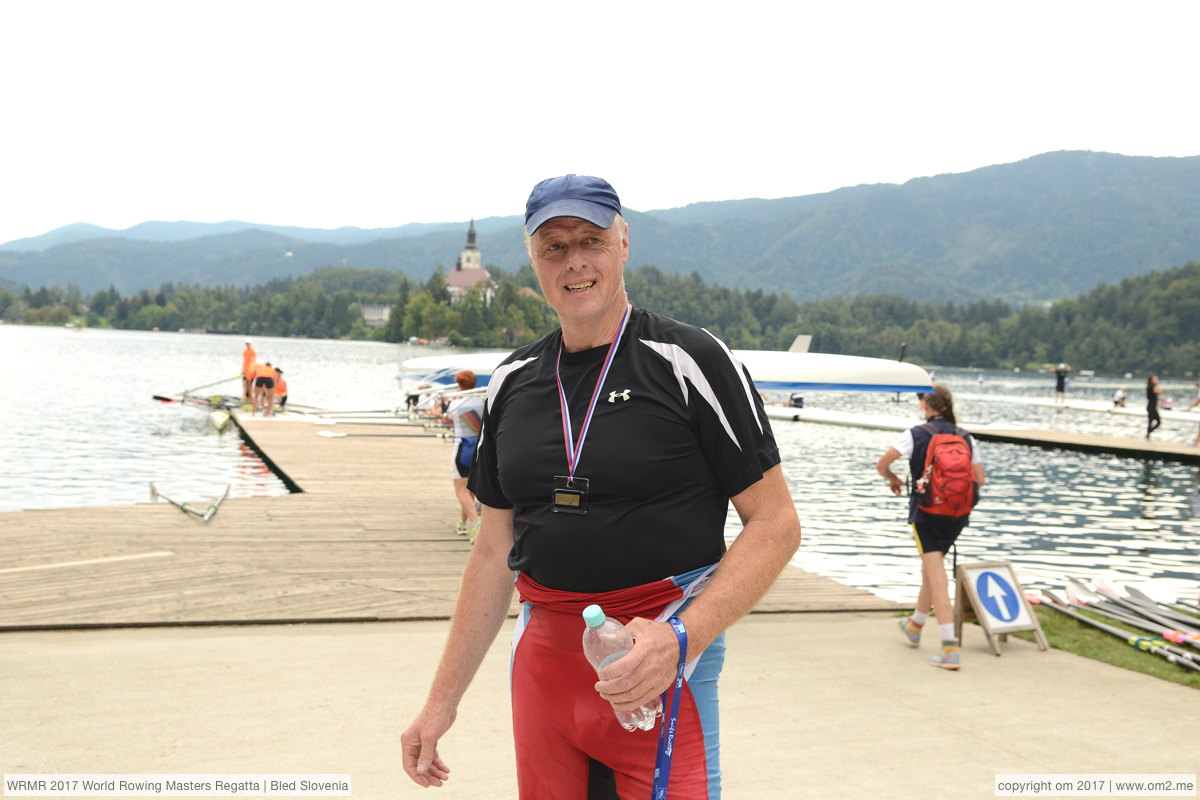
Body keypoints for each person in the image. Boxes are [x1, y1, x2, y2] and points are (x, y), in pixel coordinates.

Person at [400, 175, 801, 799]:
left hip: (659, 659)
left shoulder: (690, 360)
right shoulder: (512, 380)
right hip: (545, 670)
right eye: (554, 247)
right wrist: (440, 703)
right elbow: (492, 548)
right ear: (533, 260)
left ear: (623, 243)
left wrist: (680, 637)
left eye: (591, 239)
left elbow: (776, 523)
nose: (575, 261)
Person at [875, 385, 985, 671]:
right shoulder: (966, 437)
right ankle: (915, 625)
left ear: (926, 406)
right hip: (958, 514)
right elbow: (980, 480)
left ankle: (949, 648)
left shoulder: (916, 434)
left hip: (926, 514)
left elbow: (882, 464)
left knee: (936, 577)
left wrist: (894, 478)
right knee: (931, 569)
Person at [440, 370, 484, 539]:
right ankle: (462, 523)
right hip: (478, 447)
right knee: (470, 488)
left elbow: (448, 419)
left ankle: (475, 522)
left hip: (462, 445)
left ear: (458, 384)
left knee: (461, 490)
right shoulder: (481, 401)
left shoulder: (456, 403)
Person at [1146, 374, 1163, 440]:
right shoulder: (1150, 387)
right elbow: (1160, 392)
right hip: (1151, 407)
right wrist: (1157, 385)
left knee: (1154, 422)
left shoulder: (1152, 386)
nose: (1157, 380)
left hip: (1152, 407)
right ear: (1151, 380)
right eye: (1155, 379)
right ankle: (1148, 434)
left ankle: (1148, 435)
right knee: (1154, 422)